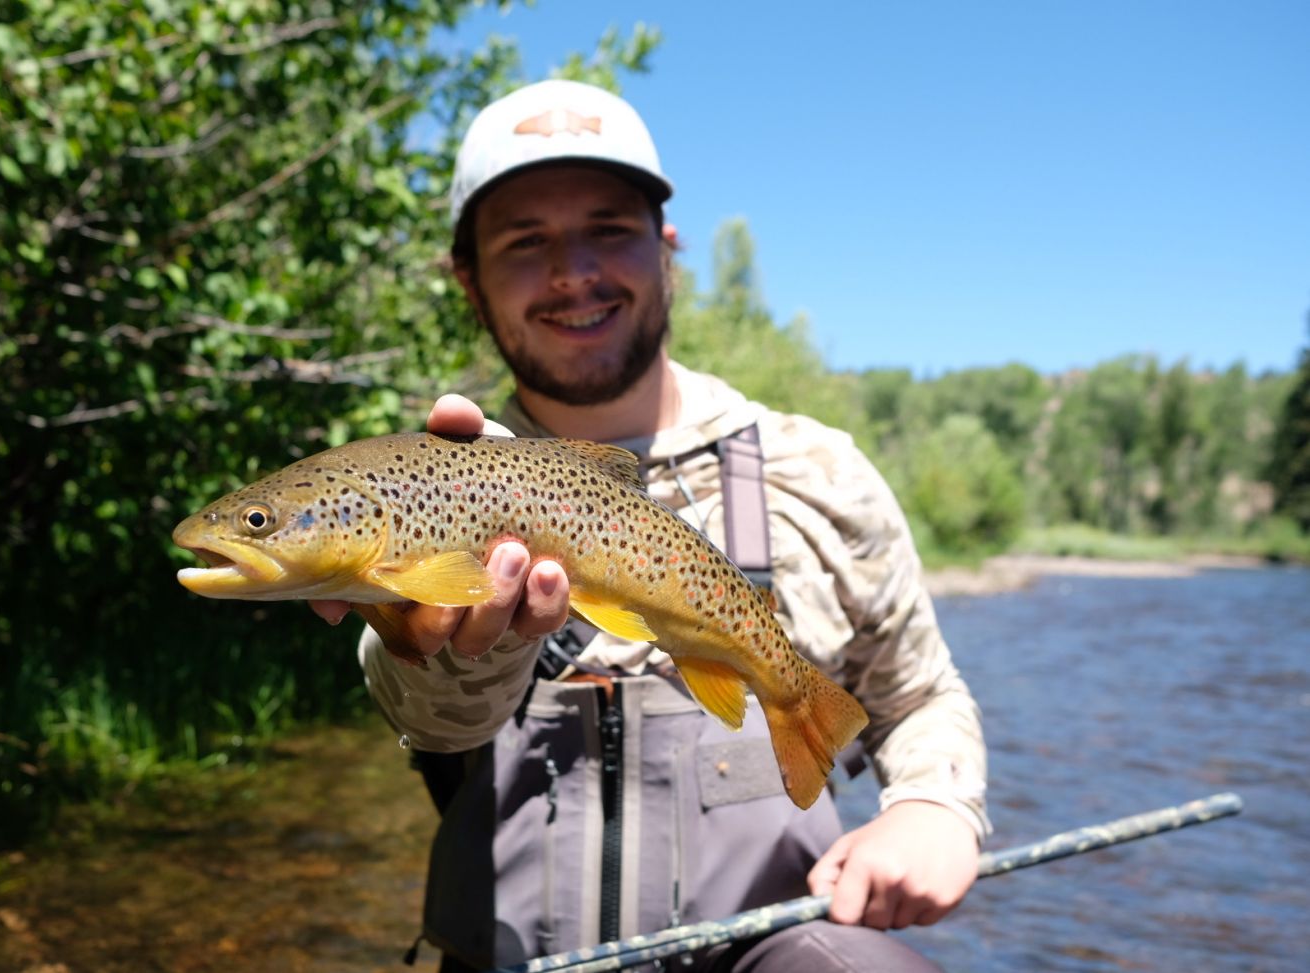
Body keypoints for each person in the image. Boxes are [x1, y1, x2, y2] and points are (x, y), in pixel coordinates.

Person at [310, 79, 988, 972]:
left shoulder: (815, 473)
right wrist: (448, 636)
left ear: (666, 250)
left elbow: (917, 695)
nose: (572, 272)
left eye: (608, 228)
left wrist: (934, 809)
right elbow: (430, 727)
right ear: (467, 280)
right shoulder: (429, 477)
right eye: (525, 241)